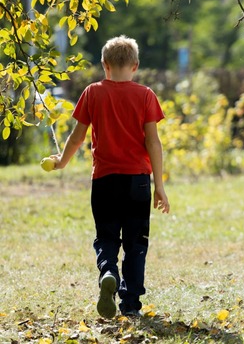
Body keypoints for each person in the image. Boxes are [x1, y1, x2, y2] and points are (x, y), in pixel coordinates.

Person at [46, 35, 170, 318]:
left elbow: (78, 137)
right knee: (136, 243)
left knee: (106, 237)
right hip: (138, 180)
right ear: (136, 65)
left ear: (105, 65)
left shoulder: (92, 92)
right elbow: (153, 142)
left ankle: (108, 271)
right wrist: (159, 186)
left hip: (104, 180)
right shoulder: (146, 95)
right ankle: (130, 305)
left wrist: (62, 162)